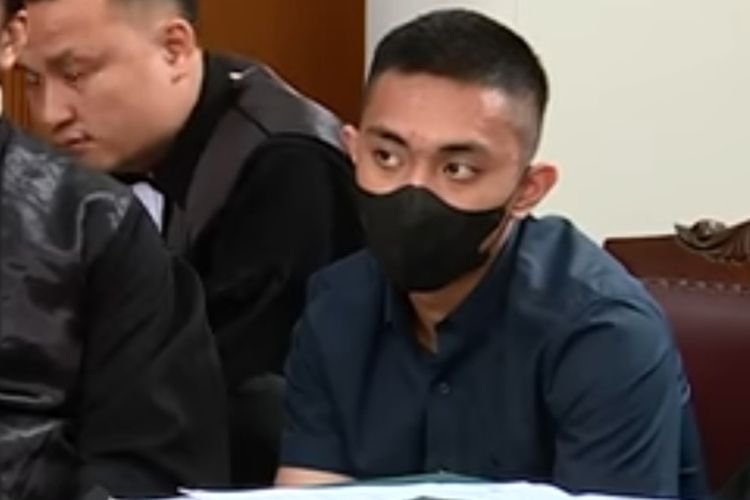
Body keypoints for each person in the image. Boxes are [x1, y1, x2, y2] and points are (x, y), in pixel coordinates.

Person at [276, 9, 709, 499]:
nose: (414, 190)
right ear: (352, 150)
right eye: (387, 157)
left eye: (458, 169)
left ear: (528, 189)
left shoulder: (604, 333)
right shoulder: (336, 305)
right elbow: (310, 490)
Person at [17, 0, 363, 484]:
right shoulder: (81, 168)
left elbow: (223, 400)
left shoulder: (286, 169)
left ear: (174, 49)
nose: (49, 113)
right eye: (32, 80)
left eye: (75, 74)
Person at [0, 1, 229, 498]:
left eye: (76, 74)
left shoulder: (95, 223)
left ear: (10, 38)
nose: (52, 113)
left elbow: (149, 465)